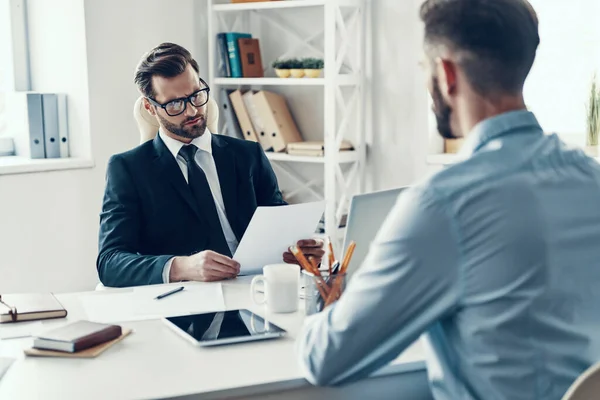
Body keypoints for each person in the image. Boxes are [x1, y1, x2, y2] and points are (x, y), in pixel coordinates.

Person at [296, 1, 600, 399]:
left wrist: (326, 307)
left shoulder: (444, 203)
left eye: (424, 69)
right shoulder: (590, 177)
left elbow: (324, 358)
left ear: (446, 73)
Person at [97, 43, 323, 287]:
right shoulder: (128, 168)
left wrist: (301, 250)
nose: (193, 110)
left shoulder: (248, 155)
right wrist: (181, 266)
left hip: (255, 289)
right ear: (151, 107)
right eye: (174, 104)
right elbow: (110, 262)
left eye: (196, 95)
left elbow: (279, 228)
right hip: (188, 302)